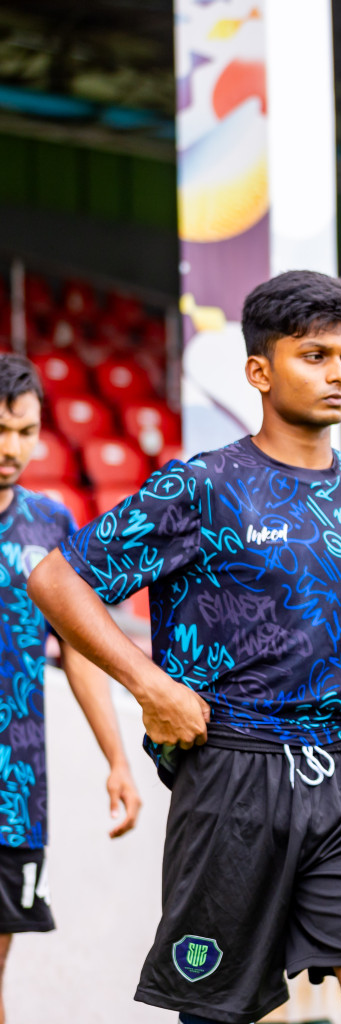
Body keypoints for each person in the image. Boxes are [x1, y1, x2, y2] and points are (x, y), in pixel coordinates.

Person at [28, 270, 341, 1024]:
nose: (338, 375)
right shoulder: (203, 487)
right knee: (220, 1013)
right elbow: (59, 581)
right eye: (315, 356)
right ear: (259, 371)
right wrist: (150, 687)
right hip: (232, 774)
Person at [0, 353, 142, 1023]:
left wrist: (117, 757)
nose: (11, 448)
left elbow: (79, 651)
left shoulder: (51, 524)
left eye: (25, 432)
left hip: (15, 786)